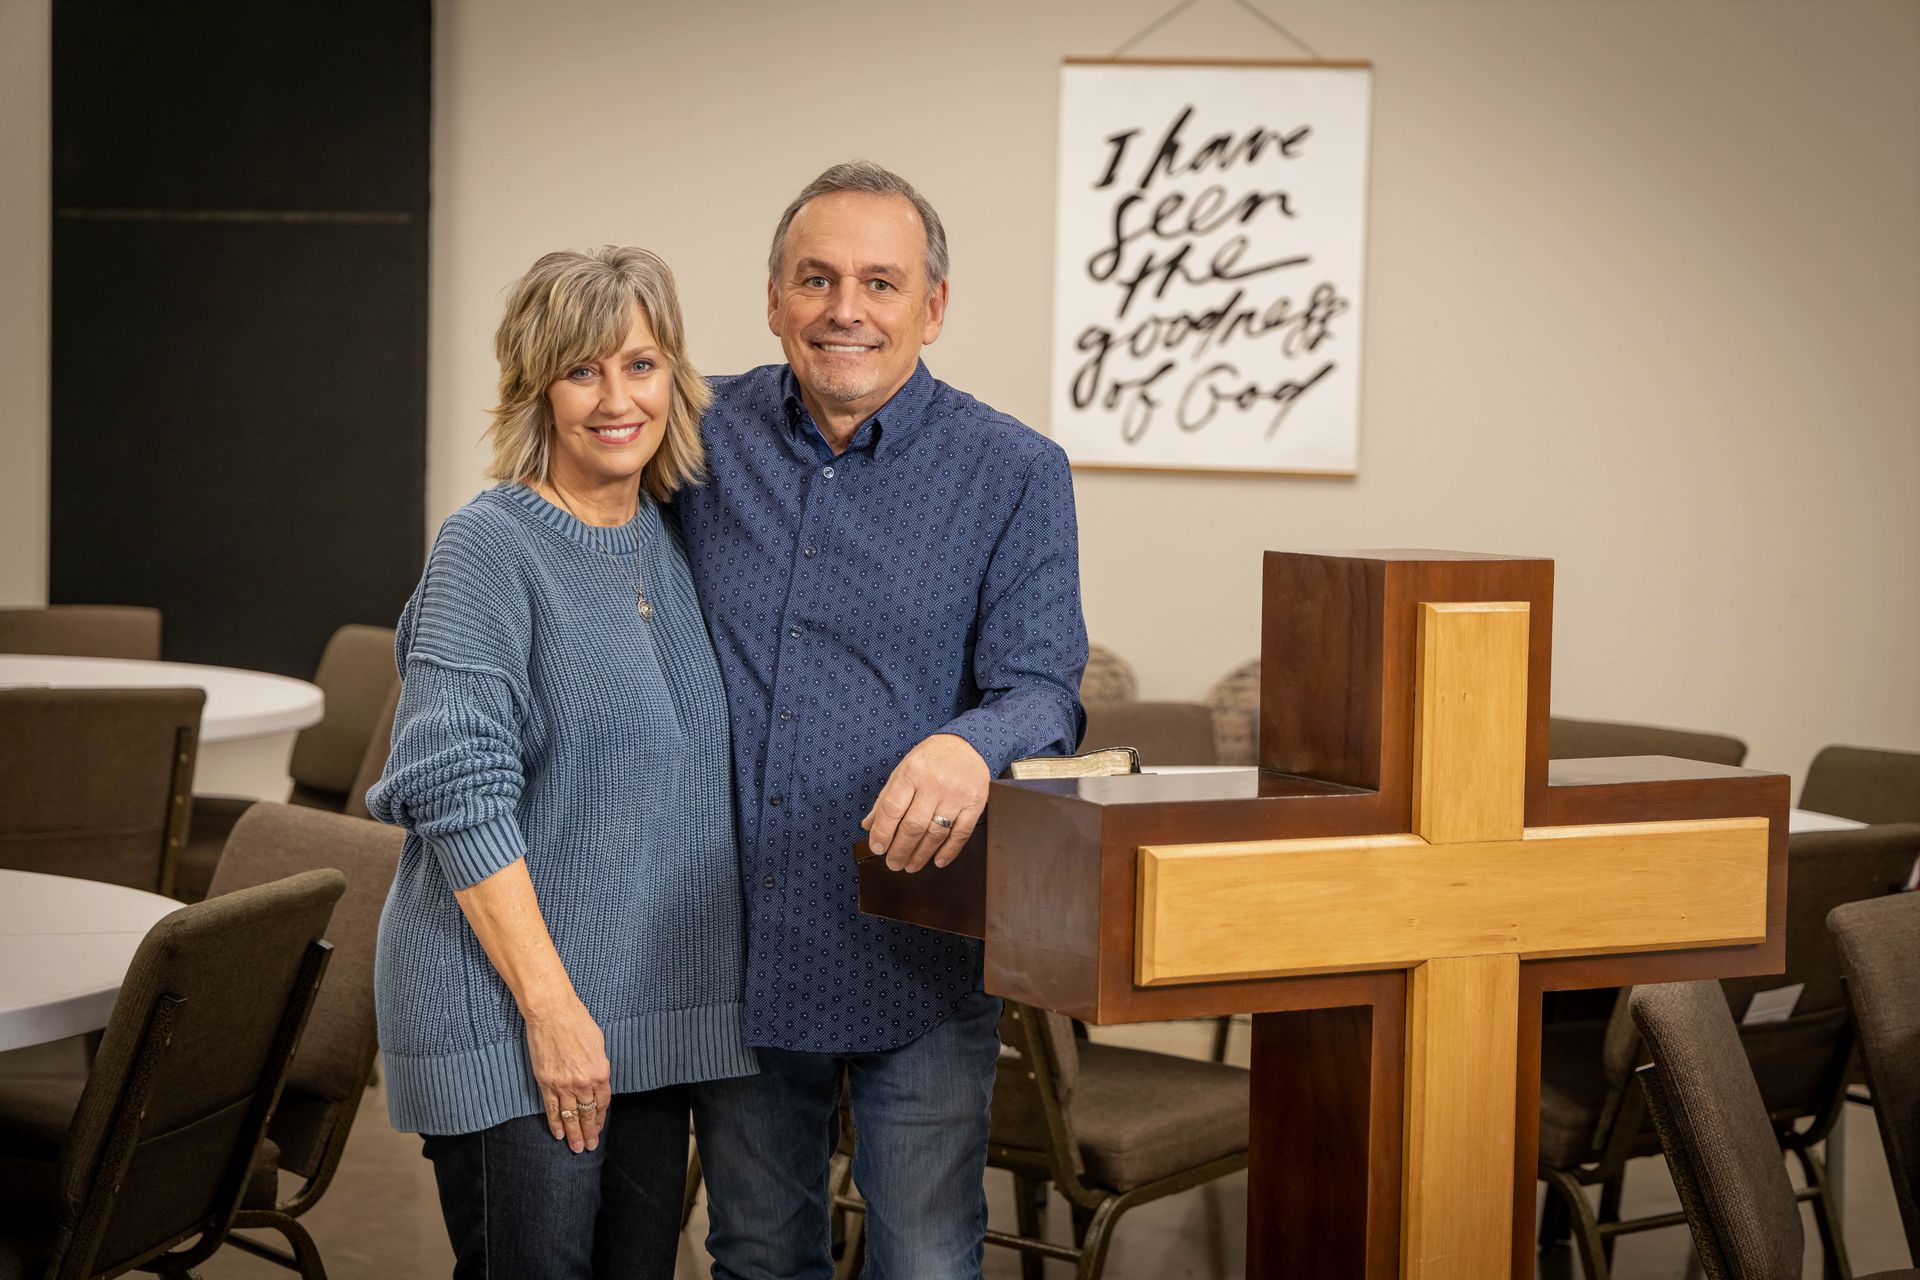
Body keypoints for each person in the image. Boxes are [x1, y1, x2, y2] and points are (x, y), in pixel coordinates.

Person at [677, 161, 1088, 1279]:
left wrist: (971, 742)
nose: (844, 308)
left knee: (925, 1258)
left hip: (918, 947)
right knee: (759, 1254)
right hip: (738, 939)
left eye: (879, 281)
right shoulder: (692, 437)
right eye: (815, 278)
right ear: (773, 299)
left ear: (933, 307)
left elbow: (1046, 685)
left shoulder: (1014, 471)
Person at [367, 246, 756, 1280]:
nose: (616, 397)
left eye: (639, 363)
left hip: (642, 1006)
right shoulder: (489, 546)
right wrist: (552, 1008)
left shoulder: (673, 541)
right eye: (582, 370)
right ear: (537, 389)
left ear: (674, 375)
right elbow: (456, 791)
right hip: (512, 1006)